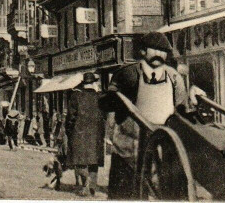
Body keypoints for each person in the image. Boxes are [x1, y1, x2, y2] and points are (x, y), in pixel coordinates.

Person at [102, 31, 188, 199]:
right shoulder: (127, 74)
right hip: (129, 149)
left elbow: (181, 109)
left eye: (162, 51)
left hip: (163, 148)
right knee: (126, 194)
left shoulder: (174, 78)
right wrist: (109, 135)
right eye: (153, 49)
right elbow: (109, 107)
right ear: (142, 51)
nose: (158, 54)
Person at [65, 72, 106, 196]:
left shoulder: (75, 96)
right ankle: (92, 185)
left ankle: (86, 185)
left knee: (80, 161)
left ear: (83, 84)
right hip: (96, 134)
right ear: (94, 83)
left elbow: (71, 117)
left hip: (79, 134)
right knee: (94, 161)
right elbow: (104, 116)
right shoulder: (100, 97)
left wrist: (69, 131)